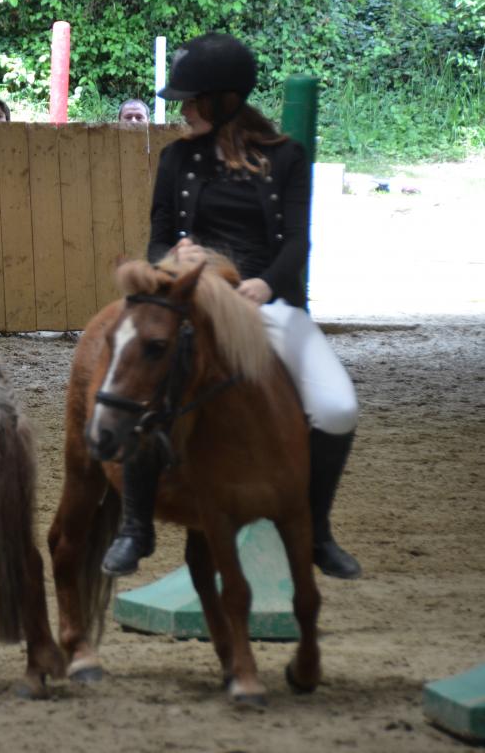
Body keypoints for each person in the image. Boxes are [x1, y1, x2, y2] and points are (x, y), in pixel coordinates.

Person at [101, 32, 363, 581]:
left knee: (337, 408)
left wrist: (266, 284)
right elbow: (155, 240)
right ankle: (134, 526)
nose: (185, 111)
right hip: (198, 304)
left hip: (269, 305)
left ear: (224, 101)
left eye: (193, 101)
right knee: (149, 389)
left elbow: (298, 242)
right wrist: (173, 253)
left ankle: (317, 529)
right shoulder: (177, 158)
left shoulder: (286, 157)